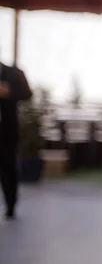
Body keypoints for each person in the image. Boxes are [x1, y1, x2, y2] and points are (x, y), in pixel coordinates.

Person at [0, 60, 33, 220]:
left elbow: (27, 94)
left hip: (7, 130)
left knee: (8, 167)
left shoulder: (13, 73)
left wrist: (9, 93)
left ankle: (10, 205)